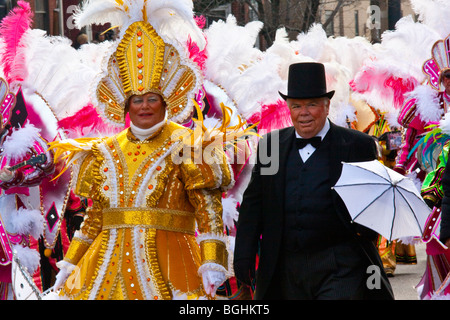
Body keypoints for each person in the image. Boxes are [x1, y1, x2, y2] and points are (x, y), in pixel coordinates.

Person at [50, 19, 233, 300]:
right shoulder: (106, 149)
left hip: (171, 266)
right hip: (103, 267)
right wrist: (71, 260)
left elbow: (208, 210)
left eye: (152, 98)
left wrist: (213, 260)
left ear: (165, 102)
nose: (144, 106)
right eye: (137, 99)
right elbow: (95, 217)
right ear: (126, 105)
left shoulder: (190, 145)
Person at [233, 62, 394, 300]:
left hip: (341, 265)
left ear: (327, 106)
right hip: (285, 266)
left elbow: (373, 202)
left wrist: (367, 230)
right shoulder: (271, 146)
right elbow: (253, 205)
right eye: (296, 106)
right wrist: (243, 255)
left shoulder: (357, 145)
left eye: (312, 104)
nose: (303, 112)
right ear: (288, 108)